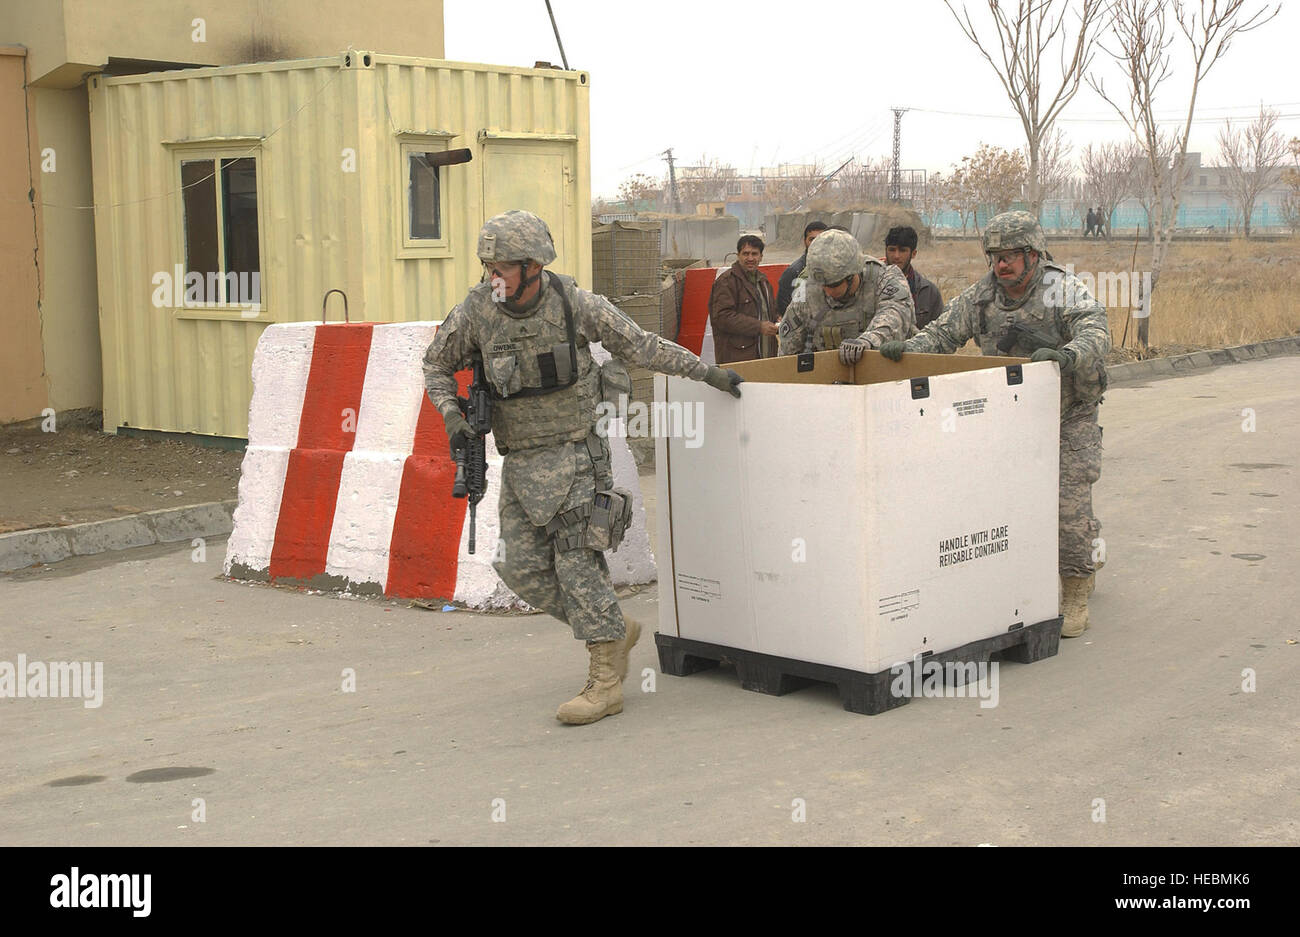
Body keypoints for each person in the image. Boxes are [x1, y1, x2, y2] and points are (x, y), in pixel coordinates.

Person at [422, 210, 744, 725]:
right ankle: (613, 629)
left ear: (532, 267)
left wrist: (708, 372)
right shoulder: (478, 311)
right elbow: (437, 363)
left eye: (501, 268)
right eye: (487, 267)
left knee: (577, 563)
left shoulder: (574, 305)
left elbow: (640, 345)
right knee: (518, 568)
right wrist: (451, 414)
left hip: (578, 451)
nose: (491, 278)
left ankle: (605, 681)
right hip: (522, 459)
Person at [879, 210, 1110, 639]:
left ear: (1033, 254)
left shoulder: (1061, 289)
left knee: (1067, 502)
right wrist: (904, 350)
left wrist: (1068, 355)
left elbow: (1096, 330)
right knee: (1003, 500)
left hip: (1069, 411)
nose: (1002, 265)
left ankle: (1076, 588)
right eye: (995, 256)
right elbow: (944, 334)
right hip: (1013, 415)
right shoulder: (983, 295)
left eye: (1011, 256)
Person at [777, 228, 916, 364]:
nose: (827, 291)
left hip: (884, 374)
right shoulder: (809, 289)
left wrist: (867, 341)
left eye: (833, 285)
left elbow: (894, 317)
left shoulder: (885, 278)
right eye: (822, 285)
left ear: (852, 275)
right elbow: (787, 347)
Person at [709, 234, 777, 363]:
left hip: (764, 354)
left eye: (754, 254)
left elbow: (768, 311)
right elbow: (722, 317)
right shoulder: (726, 281)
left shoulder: (763, 281)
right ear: (738, 255)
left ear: (761, 257)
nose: (750, 258)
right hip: (738, 358)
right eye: (745, 254)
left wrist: (777, 318)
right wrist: (758, 326)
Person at [882, 225, 943, 330]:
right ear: (886, 251)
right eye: (892, 250)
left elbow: (939, 334)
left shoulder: (928, 292)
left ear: (913, 254)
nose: (896, 256)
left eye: (902, 250)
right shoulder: (870, 285)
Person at [776, 221, 829, 317]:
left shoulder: (837, 269)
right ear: (805, 241)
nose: (816, 243)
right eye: (812, 239)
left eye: (821, 239)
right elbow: (784, 308)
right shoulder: (794, 271)